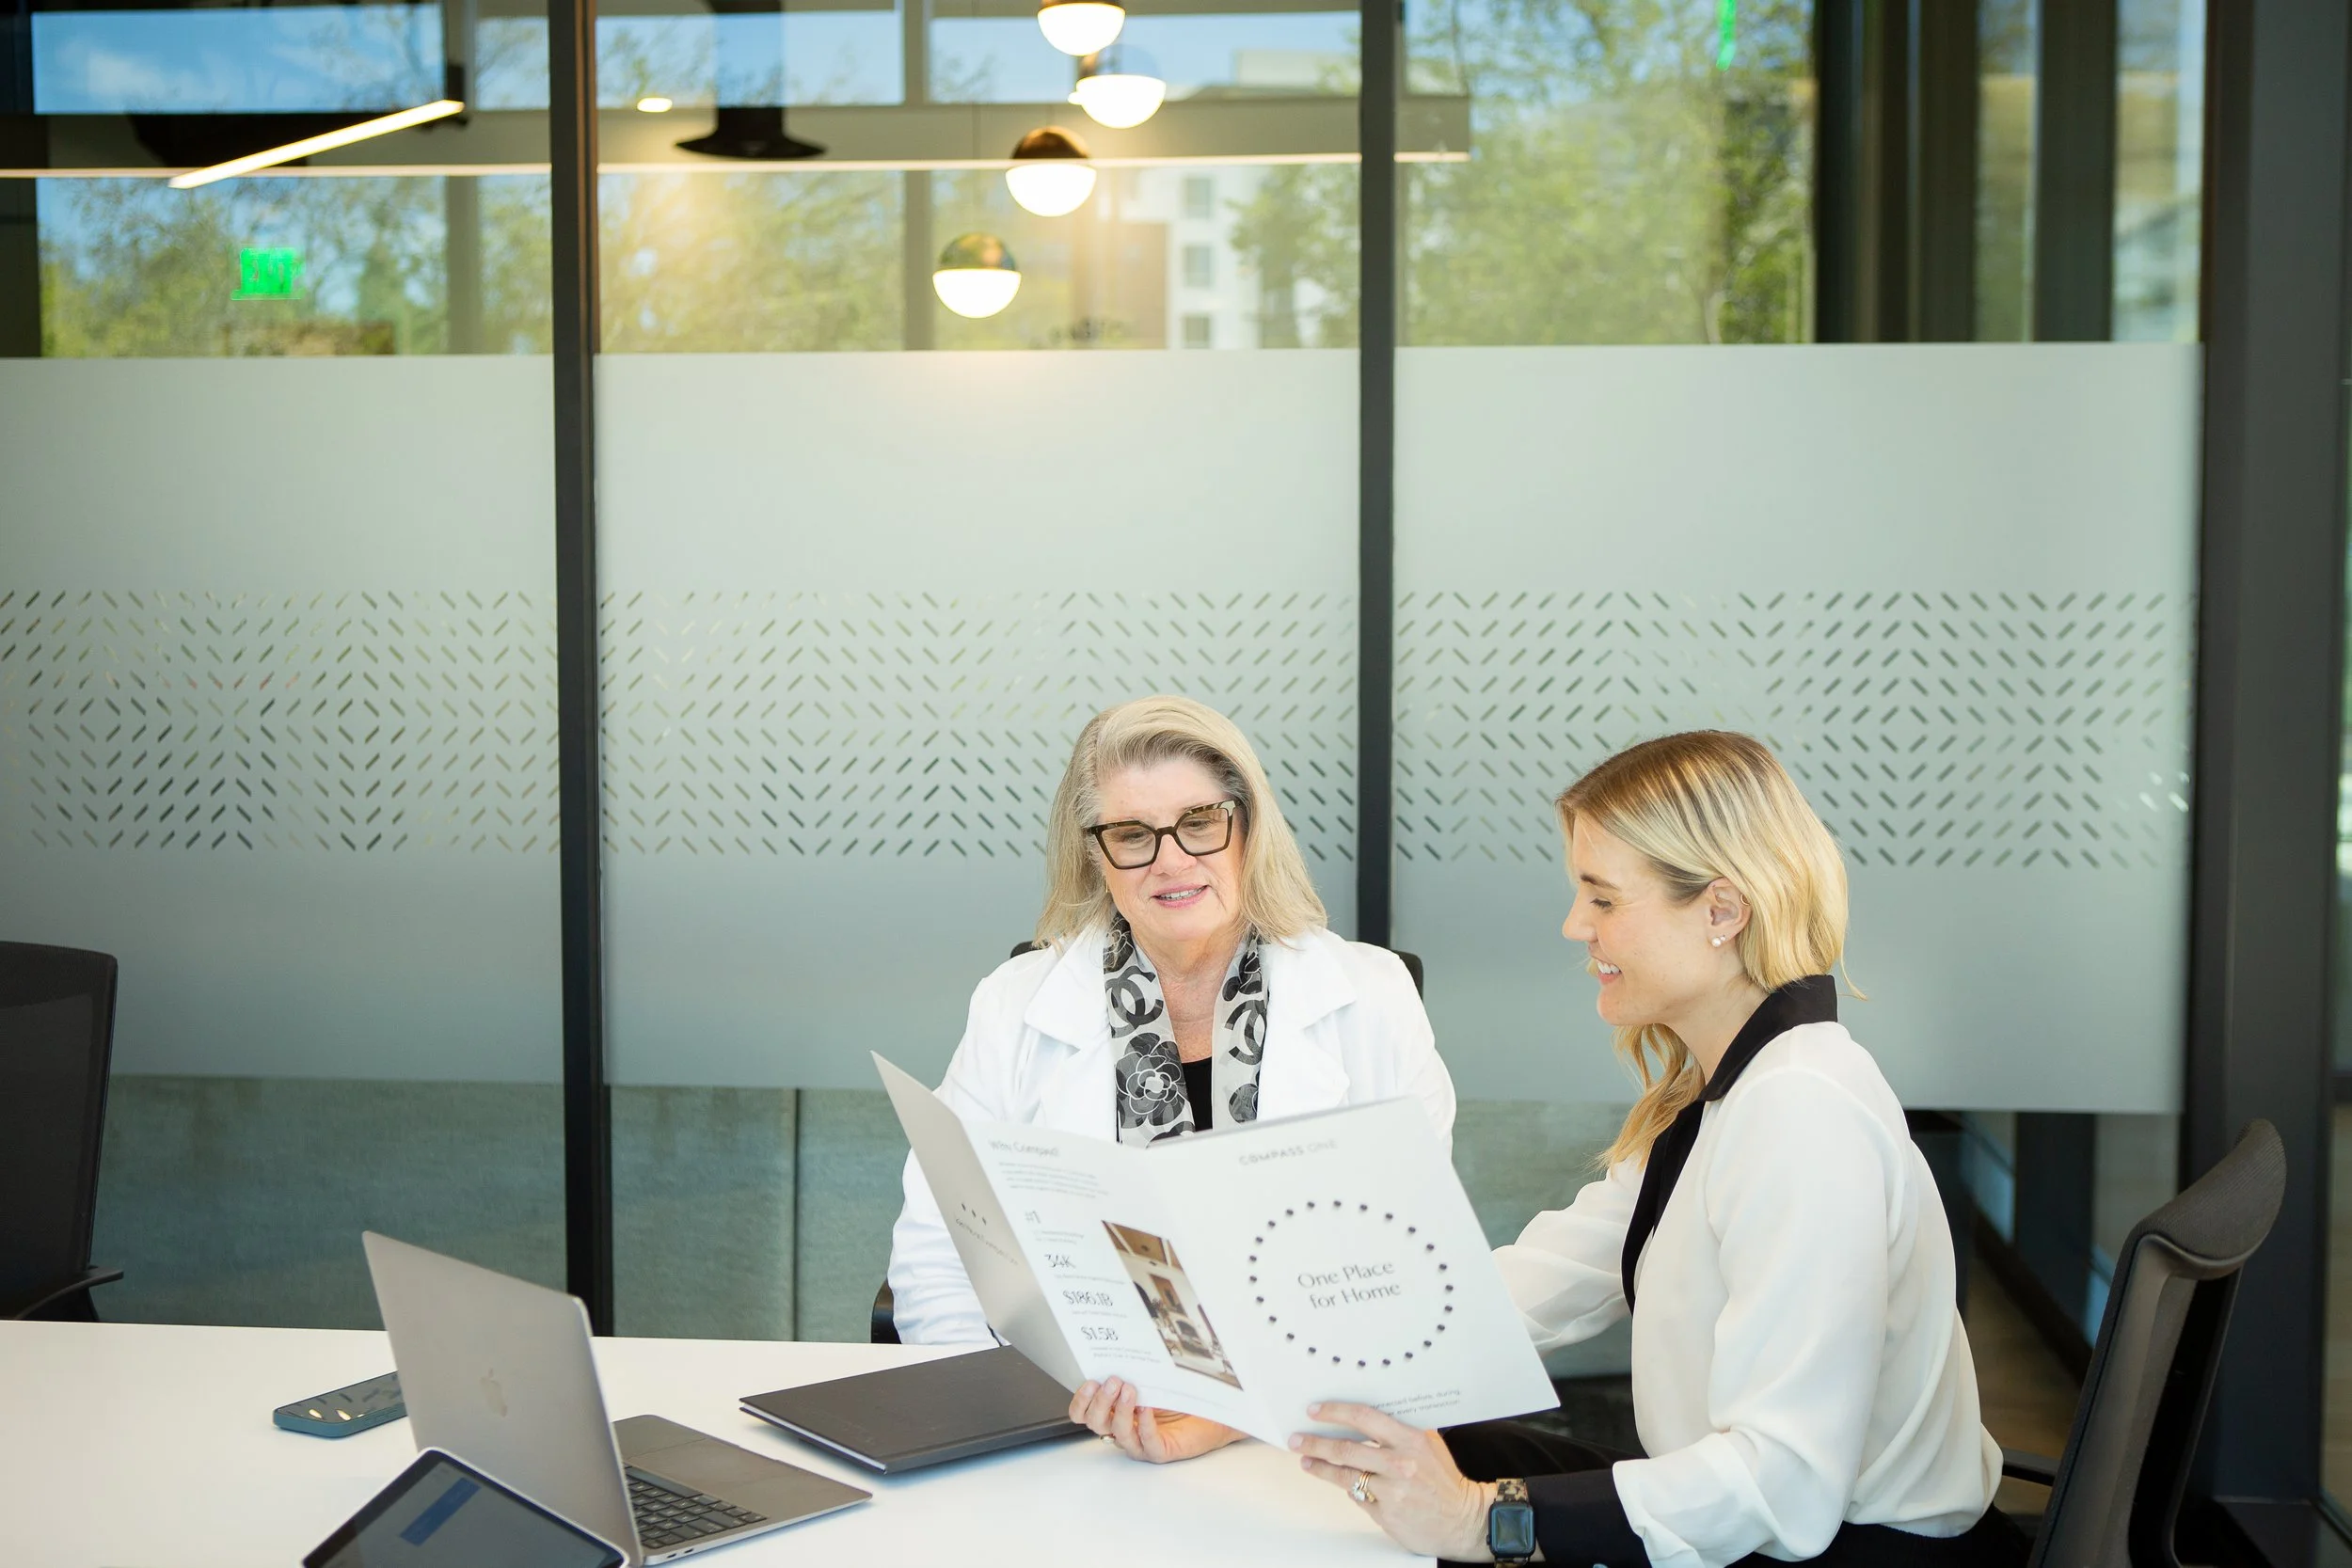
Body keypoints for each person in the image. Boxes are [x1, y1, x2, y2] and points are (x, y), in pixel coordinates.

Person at [1290, 731, 2025, 1568]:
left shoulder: (1800, 1114)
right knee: (1419, 1449)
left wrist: (1476, 1521)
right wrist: (1310, 1348)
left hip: (1835, 1550)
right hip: (1762, 1524)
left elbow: (1780, 1482)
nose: (1575, 926)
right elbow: (1556, 1276)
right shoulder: (1721, 1090)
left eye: (1603, 899)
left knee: (1456, 1502)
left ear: (1720, 910)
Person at [885, 694, 1455, 1462]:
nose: (1172, 859)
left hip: (1301, 1438)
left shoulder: (1371, 998)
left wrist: (1222, 1422)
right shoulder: (1013, 1005)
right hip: (1071, 1424)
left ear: (1246, 828)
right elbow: (941, 1243)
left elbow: (1402, 1268)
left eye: (1200, 821)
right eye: (1132, 834)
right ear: (1096, 852)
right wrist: (996, 1421)